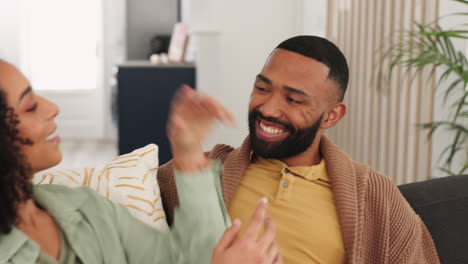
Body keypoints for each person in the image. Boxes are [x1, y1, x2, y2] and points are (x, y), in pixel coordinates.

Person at [157, 36, 441, 263]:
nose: (268, 108)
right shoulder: (206, 170)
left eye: (293, 100)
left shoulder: (373, 196)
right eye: (262, 88)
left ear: (331, 116)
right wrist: (186, 145)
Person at [0, 60, 282, 264]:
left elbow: (185, 258)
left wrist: (188, 151)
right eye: (30, 106)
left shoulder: (86, 208)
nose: (52, 108)